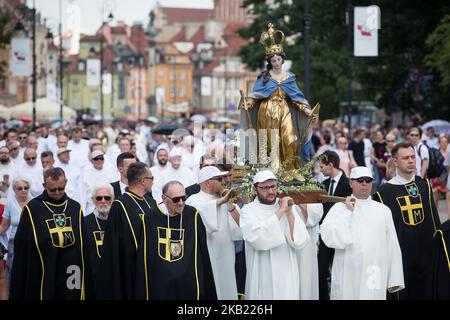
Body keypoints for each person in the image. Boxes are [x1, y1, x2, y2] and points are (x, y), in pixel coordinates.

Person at [239, 23, 319, 169]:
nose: (276, 62)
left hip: (284, 110)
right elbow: (255, 94)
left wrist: (308, 111)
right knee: (270, 143)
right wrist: (249, 102)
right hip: (267, 112)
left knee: (291, 139)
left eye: (278, 59)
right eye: (273, 60)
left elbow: (297, 98)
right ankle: (271, 170)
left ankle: (291, 170)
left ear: (282, 59)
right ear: (269, 62)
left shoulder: (289, 77)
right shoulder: (265, 77)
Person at [373, 142, 444, 299]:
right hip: (401, 255)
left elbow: (434, 219)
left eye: (413, 157)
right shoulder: (383, 193)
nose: (411, 160)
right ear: (395, 161)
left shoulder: (424, 185)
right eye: (406, 158)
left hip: (427, 254)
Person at [320, 166, 404, 299]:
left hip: (373, 273)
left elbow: (392, 245)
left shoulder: (383, 210)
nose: (364, 184)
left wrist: (394, 278)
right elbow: (329, 237)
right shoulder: (339, 208)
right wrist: (348, 213)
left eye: (368, 180)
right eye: (360, 180)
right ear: (351, 183)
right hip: (347, 273)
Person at [9, 167, 93, 300]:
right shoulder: (33, 209)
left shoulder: (74, 208)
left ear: (66, 182)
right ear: (44, 185)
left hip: (72, 270)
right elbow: (22, 247)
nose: (57, 192)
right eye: (52, 190)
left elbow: (83, 245)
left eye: (61, 188)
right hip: (45, 268)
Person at [135, 181, 217, 300]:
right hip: (161, 282)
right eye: (176, 199)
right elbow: (147, 256)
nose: (181, 203)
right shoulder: (150, 218)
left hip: (187, 280)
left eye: (184, 198)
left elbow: (201, 251)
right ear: (164, 198)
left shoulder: (192, 215)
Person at [240, 170, 309, 299]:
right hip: (262, 272)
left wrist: (289, 213)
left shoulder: (287, 206)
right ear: (255, 189)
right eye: (265, 188)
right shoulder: (248, 211)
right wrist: (281, 211)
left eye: (273, 186)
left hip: (286, 270)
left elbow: (299, 241)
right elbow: (257, 239)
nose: (271, 192)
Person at [98, 162, 156, 299]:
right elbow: (114, 246)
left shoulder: (150, 202)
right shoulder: (120, 205)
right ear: (142, 181)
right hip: (131, 269)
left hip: (151, 266)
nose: (153, 182)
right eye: (151, 179)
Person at [186, 166, 242, 300]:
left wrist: (229, 203)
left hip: (226, 253)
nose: (224, 182)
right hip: (208, 253)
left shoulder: (225, 198)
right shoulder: (193, 200)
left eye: (224, 178)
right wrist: (221, 201)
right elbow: (198, 213)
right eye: (219, 179)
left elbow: (241, 224)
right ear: (207, 182)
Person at [317, 150, 352, 300]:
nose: (320, 169)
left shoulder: (349, 183)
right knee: (321, 271)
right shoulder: (322, 185)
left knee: (343, 271)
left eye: (322, 167)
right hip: (325, 236)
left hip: (343, 235)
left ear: (330, 165)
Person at [0, 177, 32, 284]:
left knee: (30, 271)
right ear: (14, 189)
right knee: (12, 272)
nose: (23, 190)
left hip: (31, 242)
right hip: (14, 242)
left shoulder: (34, 203)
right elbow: (4, 226)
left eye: (26, 187)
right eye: (20, 188)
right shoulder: (9, 204)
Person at [84, 183, 114, 295]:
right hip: (93, 278)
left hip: (114, 276)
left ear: (113, 199)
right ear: (93, 200)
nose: (103, 201)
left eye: (107, 198)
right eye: (99, 198)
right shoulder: (85, 223)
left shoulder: (120, 221)